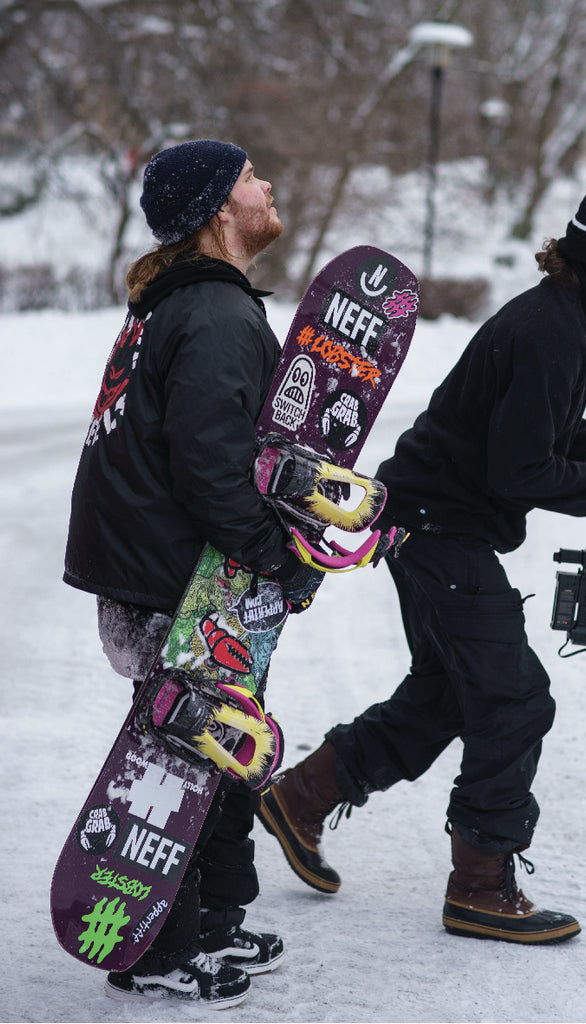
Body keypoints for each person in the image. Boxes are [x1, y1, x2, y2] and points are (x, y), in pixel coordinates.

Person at [255, 164, 586, 945]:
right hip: (435, 523)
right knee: (515, 696)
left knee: (449, 692)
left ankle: (302, 799)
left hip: (434, 519)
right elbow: (521, 469)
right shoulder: (555, 328)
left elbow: (551, 431)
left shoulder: (576, 321)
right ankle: (481, 884)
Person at [63, 139, 322, 1007]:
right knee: (184, 759)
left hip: (159, 575)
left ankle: (210, 920)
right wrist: (279, 554)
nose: (268, 185)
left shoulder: (179, 304)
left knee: (218, 747)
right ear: (220, 209)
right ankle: (156, 948)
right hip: (176, 585)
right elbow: (213, 469)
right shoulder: (212, 313)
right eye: (252, 178)